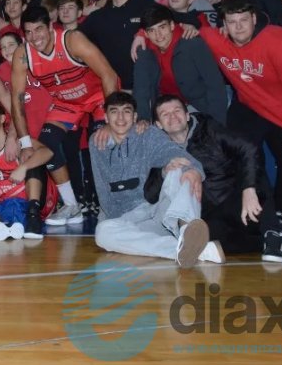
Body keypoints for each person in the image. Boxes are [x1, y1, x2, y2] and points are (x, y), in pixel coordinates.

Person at [199, 0, 282, 239]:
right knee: (239, 150)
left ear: (254, 19)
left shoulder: (280, 40)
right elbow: (186, 24)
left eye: (244, 20)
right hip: (251, 105)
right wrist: (141, 33)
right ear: (223, 23)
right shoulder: (214, 37)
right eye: (232, 21)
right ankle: (262, 211)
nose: (239, 26)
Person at [152, 95, 282, 262]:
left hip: (235, 199)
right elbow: (149, 194)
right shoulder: (158, 150)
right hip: (207, 213)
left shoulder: (208, 129)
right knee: (213, 243)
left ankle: (272, 234)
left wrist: (248, 189)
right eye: (165, 114)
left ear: (187, 115)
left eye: (177, 111)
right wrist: (163, 171)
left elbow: (248, 148)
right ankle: (277, 242)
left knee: (254, 175)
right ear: (158, 124)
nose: (173, 117)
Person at [11, 6, 119, 226]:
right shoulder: (23, 54)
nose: (34, 37)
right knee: (46, 145)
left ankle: (113, 204)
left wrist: (110, 117)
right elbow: (16, 100)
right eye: (28, 32)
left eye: (39, 30)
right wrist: (24, 143)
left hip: (97, 96)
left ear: (51, 27)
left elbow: (109, 74)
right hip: (65, 102)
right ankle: (71, 206)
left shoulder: (73, 40)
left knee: (103, 142)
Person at [90, 92, 221, 267]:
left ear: (135, 116)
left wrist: (194, 170)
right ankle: (192, 250)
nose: (121, 117)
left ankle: (187, 228)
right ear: (105, 117)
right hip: (128, 219)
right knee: (103, 234)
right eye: (114, 112)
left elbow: (174, 153)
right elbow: (102, 188)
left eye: (127, 111)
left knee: (178, 168)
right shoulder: (97, 142)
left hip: (156, 209)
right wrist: (117, 222)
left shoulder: (147, 134)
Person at [0, 101, 58, 241]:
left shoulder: (18, 141)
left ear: (2, 119)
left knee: (31, 161)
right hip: (2, 202)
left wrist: (23, 168)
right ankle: (3, 227)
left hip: (29, 200)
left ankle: (32, 218)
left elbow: (47, 152)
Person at [132, 4, 227, 125]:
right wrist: (143, 118)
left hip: (200, 105)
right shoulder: (145, 51)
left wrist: (218, 123)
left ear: (172, 25)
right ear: (145, 33)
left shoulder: (192, 43)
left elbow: (215, 84)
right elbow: (141, 87)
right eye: (152, 30)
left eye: (162, 27)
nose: (158, 35)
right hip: (167, 108)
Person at [79, 0, 149, 90]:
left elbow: (170, 19)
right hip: (112, 87)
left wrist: (143, 32)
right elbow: (76, 39)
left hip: (146, 85)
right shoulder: (98, 16)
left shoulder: (146, 7)